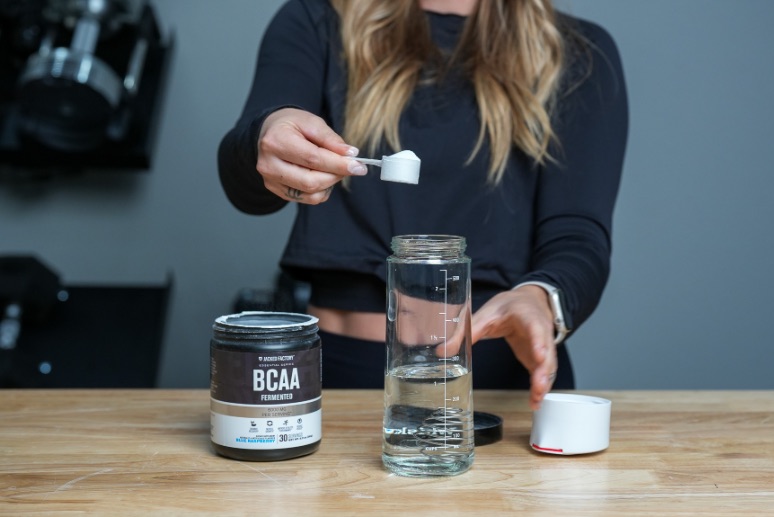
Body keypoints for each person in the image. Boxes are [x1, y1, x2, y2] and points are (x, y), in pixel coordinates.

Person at [218, 0, 628, 410]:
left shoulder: (578, 52)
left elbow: (578, 237)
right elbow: (247, 188)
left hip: (503, 387)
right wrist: (267, 137)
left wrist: (540, 297)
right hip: (335, 378)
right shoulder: (318, 19)